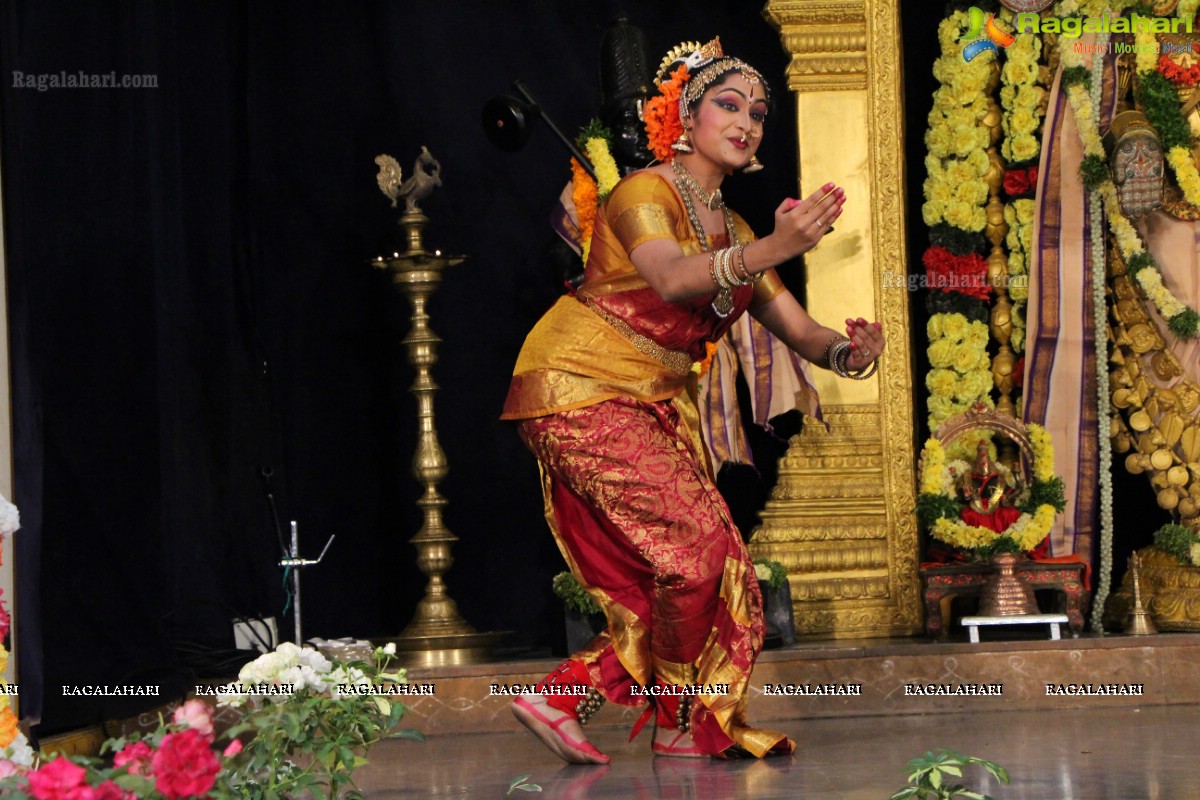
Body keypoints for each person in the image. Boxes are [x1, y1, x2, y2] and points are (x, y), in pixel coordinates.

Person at [501, 37, 885, 762]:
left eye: (760, 113)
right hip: (579, 384)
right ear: (686, 115)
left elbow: (800, 330)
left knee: (710, 568)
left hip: (646, 401)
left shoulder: (735, 229)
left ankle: (578, 701)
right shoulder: (643, 193)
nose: (747, 122)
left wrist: (851, 353)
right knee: (695, 554)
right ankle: (668, 718)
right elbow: (674, 278)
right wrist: (777, 246)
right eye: (729, 105)